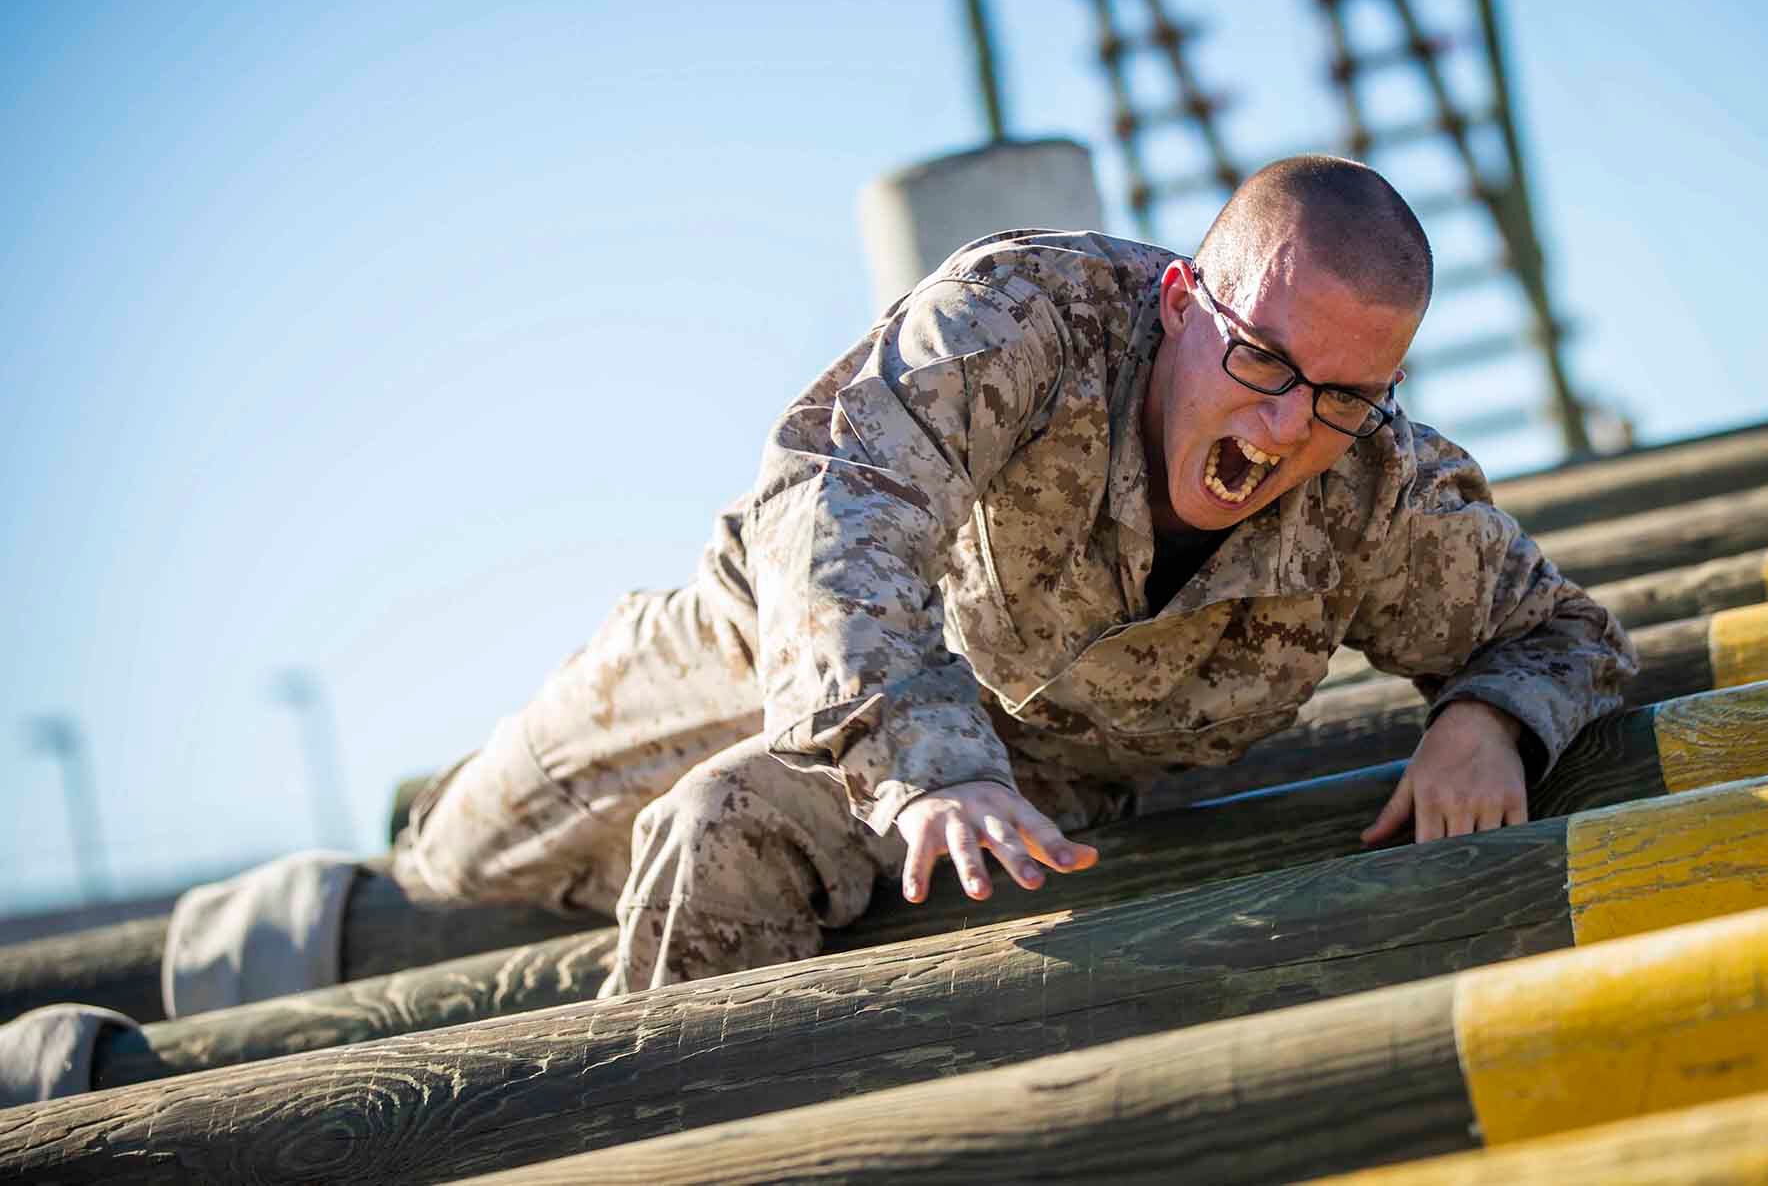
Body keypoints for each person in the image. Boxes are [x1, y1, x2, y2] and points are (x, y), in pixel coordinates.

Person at [395, 155, 1636, 995]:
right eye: (1261, 359)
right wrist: (923, 763)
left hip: (1029, 757)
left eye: (1343, 395)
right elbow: (838, 511)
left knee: (719, 828)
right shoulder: (1023, 316)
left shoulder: (1378, 492)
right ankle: (335, 900)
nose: (1281, 429)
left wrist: (1489, 721)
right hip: (769, 637)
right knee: (462, 860)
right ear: (1179, 300)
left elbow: (1556, 631)